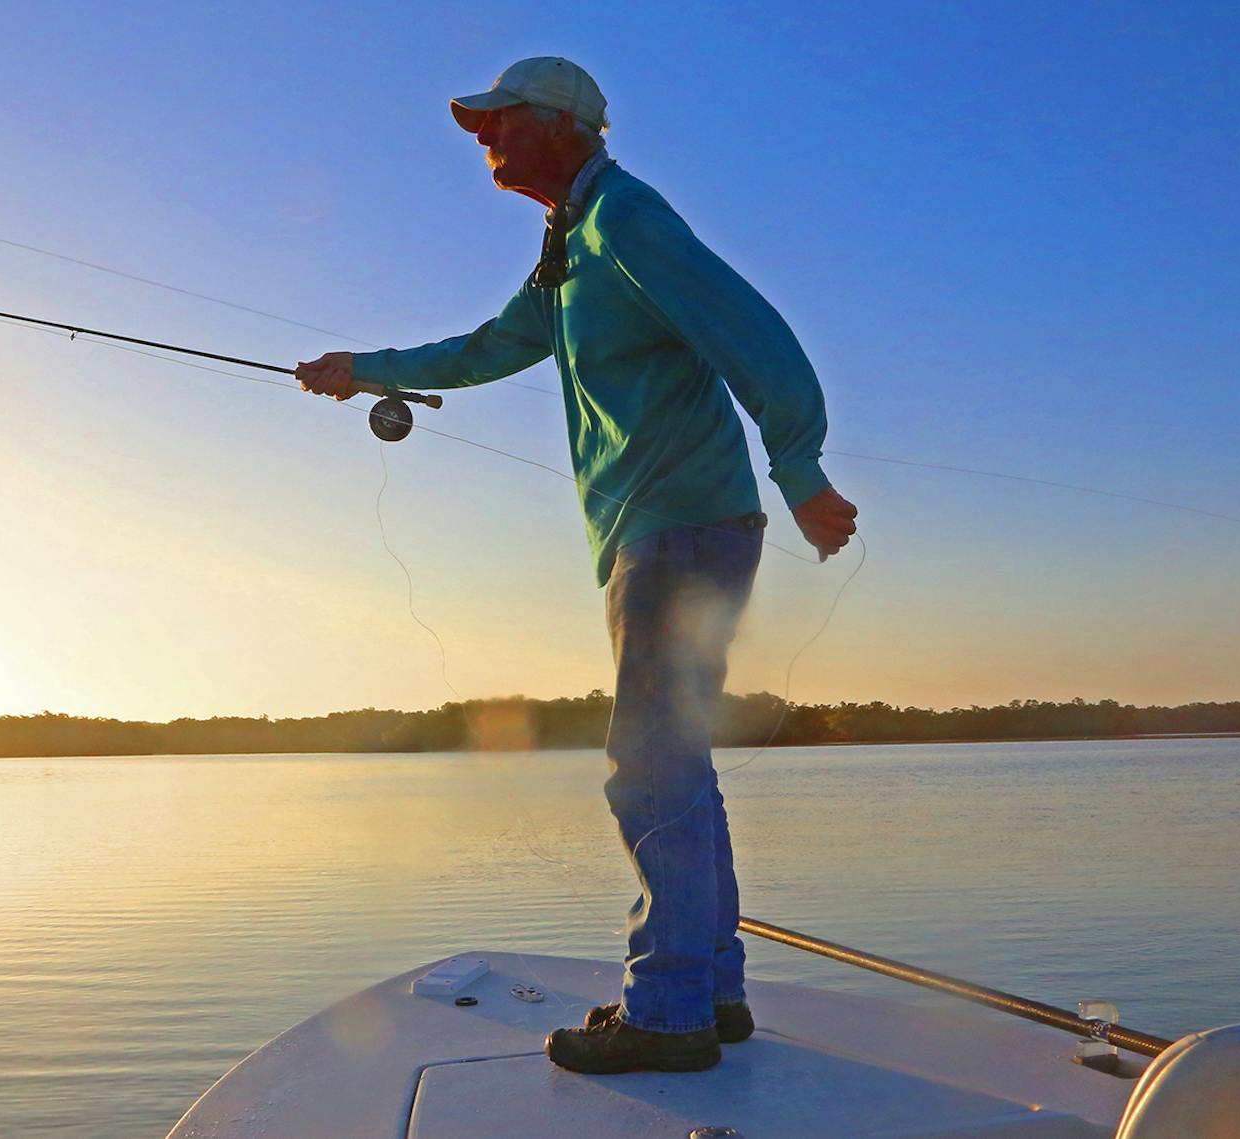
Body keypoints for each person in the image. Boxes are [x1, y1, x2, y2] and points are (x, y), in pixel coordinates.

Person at [296, 57, 858, 1075]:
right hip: (659, 532)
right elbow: (487, 347)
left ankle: (672, 1011)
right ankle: (713, 991)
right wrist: (364, 368)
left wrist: (802, 467)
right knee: (673, 762)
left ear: (562, 124)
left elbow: (755, 334)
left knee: (647, 764)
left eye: (497, 120)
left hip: (681, 525)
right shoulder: (567, 247)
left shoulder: (626, 221)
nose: (483, 138)